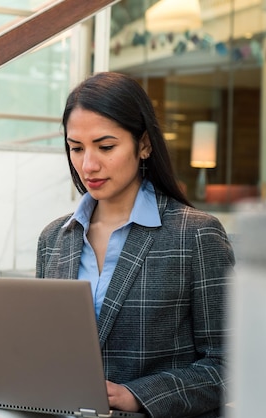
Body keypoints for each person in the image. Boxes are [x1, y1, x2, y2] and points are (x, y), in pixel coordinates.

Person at [35, 72, 235, 418]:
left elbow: (228, 365)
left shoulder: (196, 235)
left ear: (144, 144)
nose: (88, 165)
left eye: (106, 147)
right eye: (76, 148)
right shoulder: (54, 239)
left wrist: (136, 395)